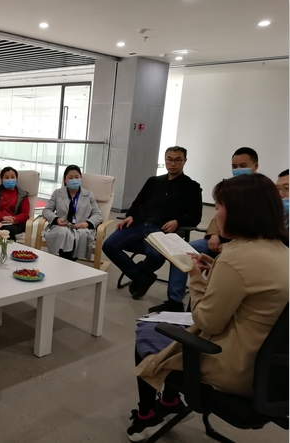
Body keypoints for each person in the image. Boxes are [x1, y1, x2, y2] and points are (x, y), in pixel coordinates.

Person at [127, 173, 288, 442]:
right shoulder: (281, 251)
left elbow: (205, 321)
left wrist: (195, 277)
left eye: (219, 206)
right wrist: (215, 271)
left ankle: (147, 415)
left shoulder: (235, 258)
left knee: (149, 329)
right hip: (272, 373)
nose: (215, 213)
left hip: (236, 370)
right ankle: (169, 402)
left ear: (239, 211)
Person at [149, 147, 259, 313]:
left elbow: (260, 229)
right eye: (234, 166)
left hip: (242, 247)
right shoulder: (229, 188)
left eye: (243, 166)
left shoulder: (261, 193)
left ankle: (203, 305)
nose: (238, 170)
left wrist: (233, 246)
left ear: (255, 166)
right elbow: (217, 217)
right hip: (218, 239)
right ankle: (175, 300)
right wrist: (214, 235)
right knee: (183, 253)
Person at [102, 147, 202, 299]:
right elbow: (138, 202)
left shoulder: (191, 186)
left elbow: (196, 216)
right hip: (139, 224)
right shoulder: (154, 181)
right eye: (169, 159)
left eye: (177, 160)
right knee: (109, 245)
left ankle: (140, 277)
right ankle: (142, 277)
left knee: (156, 256)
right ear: (165, 160)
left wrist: (178, 221)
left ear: (184, 161)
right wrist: (130, 215)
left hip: (161, 229)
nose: (173, 163)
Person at [42, 165, 103, 261]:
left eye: (77, 177)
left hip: (82, 227)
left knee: (77, 235)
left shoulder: (88, 195)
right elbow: (47, 210)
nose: (74, 180)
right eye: (70, 178)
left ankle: (65, 263)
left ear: (81, 178)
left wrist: (87, 223)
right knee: (64, 233)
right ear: (65, 180)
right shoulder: (57, 193)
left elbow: (97, 214)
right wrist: (56, 219)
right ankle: (68, 263)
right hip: (62, 226)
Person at [0, 167, 31, 241]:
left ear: (16, 178)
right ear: (2, 179)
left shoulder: (22, 195)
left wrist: (13, 219)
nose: (10, 179)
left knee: (8, 231)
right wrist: (2, 217)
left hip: (13, 223)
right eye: (7, 178)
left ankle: (8, 248)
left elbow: (25, 213)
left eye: (12, 177)